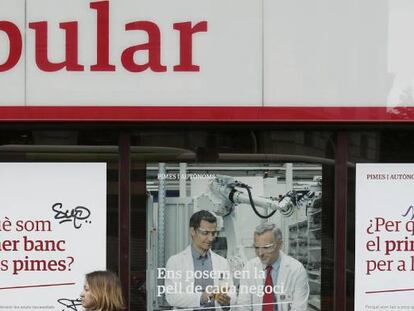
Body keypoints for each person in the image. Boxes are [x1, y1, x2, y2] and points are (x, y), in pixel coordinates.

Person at [165, 210, 236, 310]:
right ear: (193, 231)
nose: (211, 238)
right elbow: (171, 296)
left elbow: (231, 292)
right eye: (205, 233)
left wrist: (227, 301)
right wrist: (200, 298)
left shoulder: (222, 263)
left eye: (213, 233)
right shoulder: (175, 262)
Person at [237, 223, 309, 311]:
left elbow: (299, 308)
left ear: (279, 244)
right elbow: (243, 306)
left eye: (266, 247)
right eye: (257, 247)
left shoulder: (296, 270)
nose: (260, 253)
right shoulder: (249, 267)